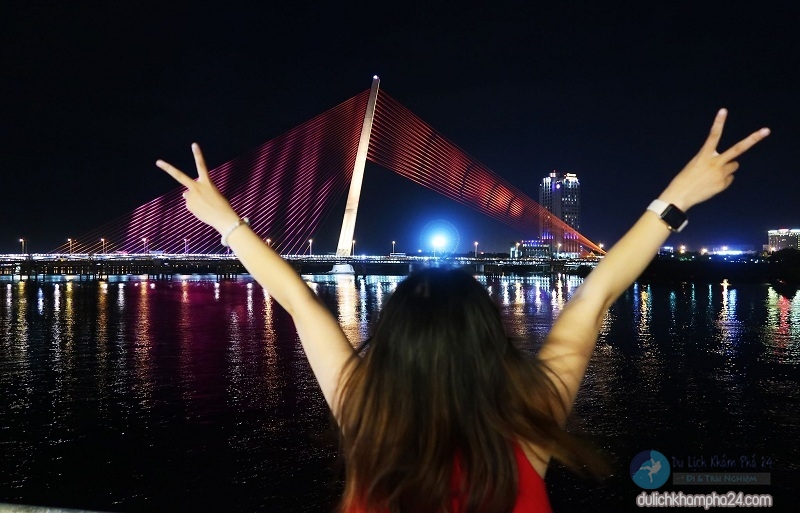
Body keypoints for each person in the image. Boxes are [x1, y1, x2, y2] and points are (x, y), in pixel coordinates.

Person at [156, 109, 769, 512]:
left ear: (391, 342)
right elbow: (597, 293)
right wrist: (676, 199)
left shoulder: (365, 413)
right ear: (488, 340)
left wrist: (225, 222)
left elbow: (294, 297)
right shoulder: (531, 421)